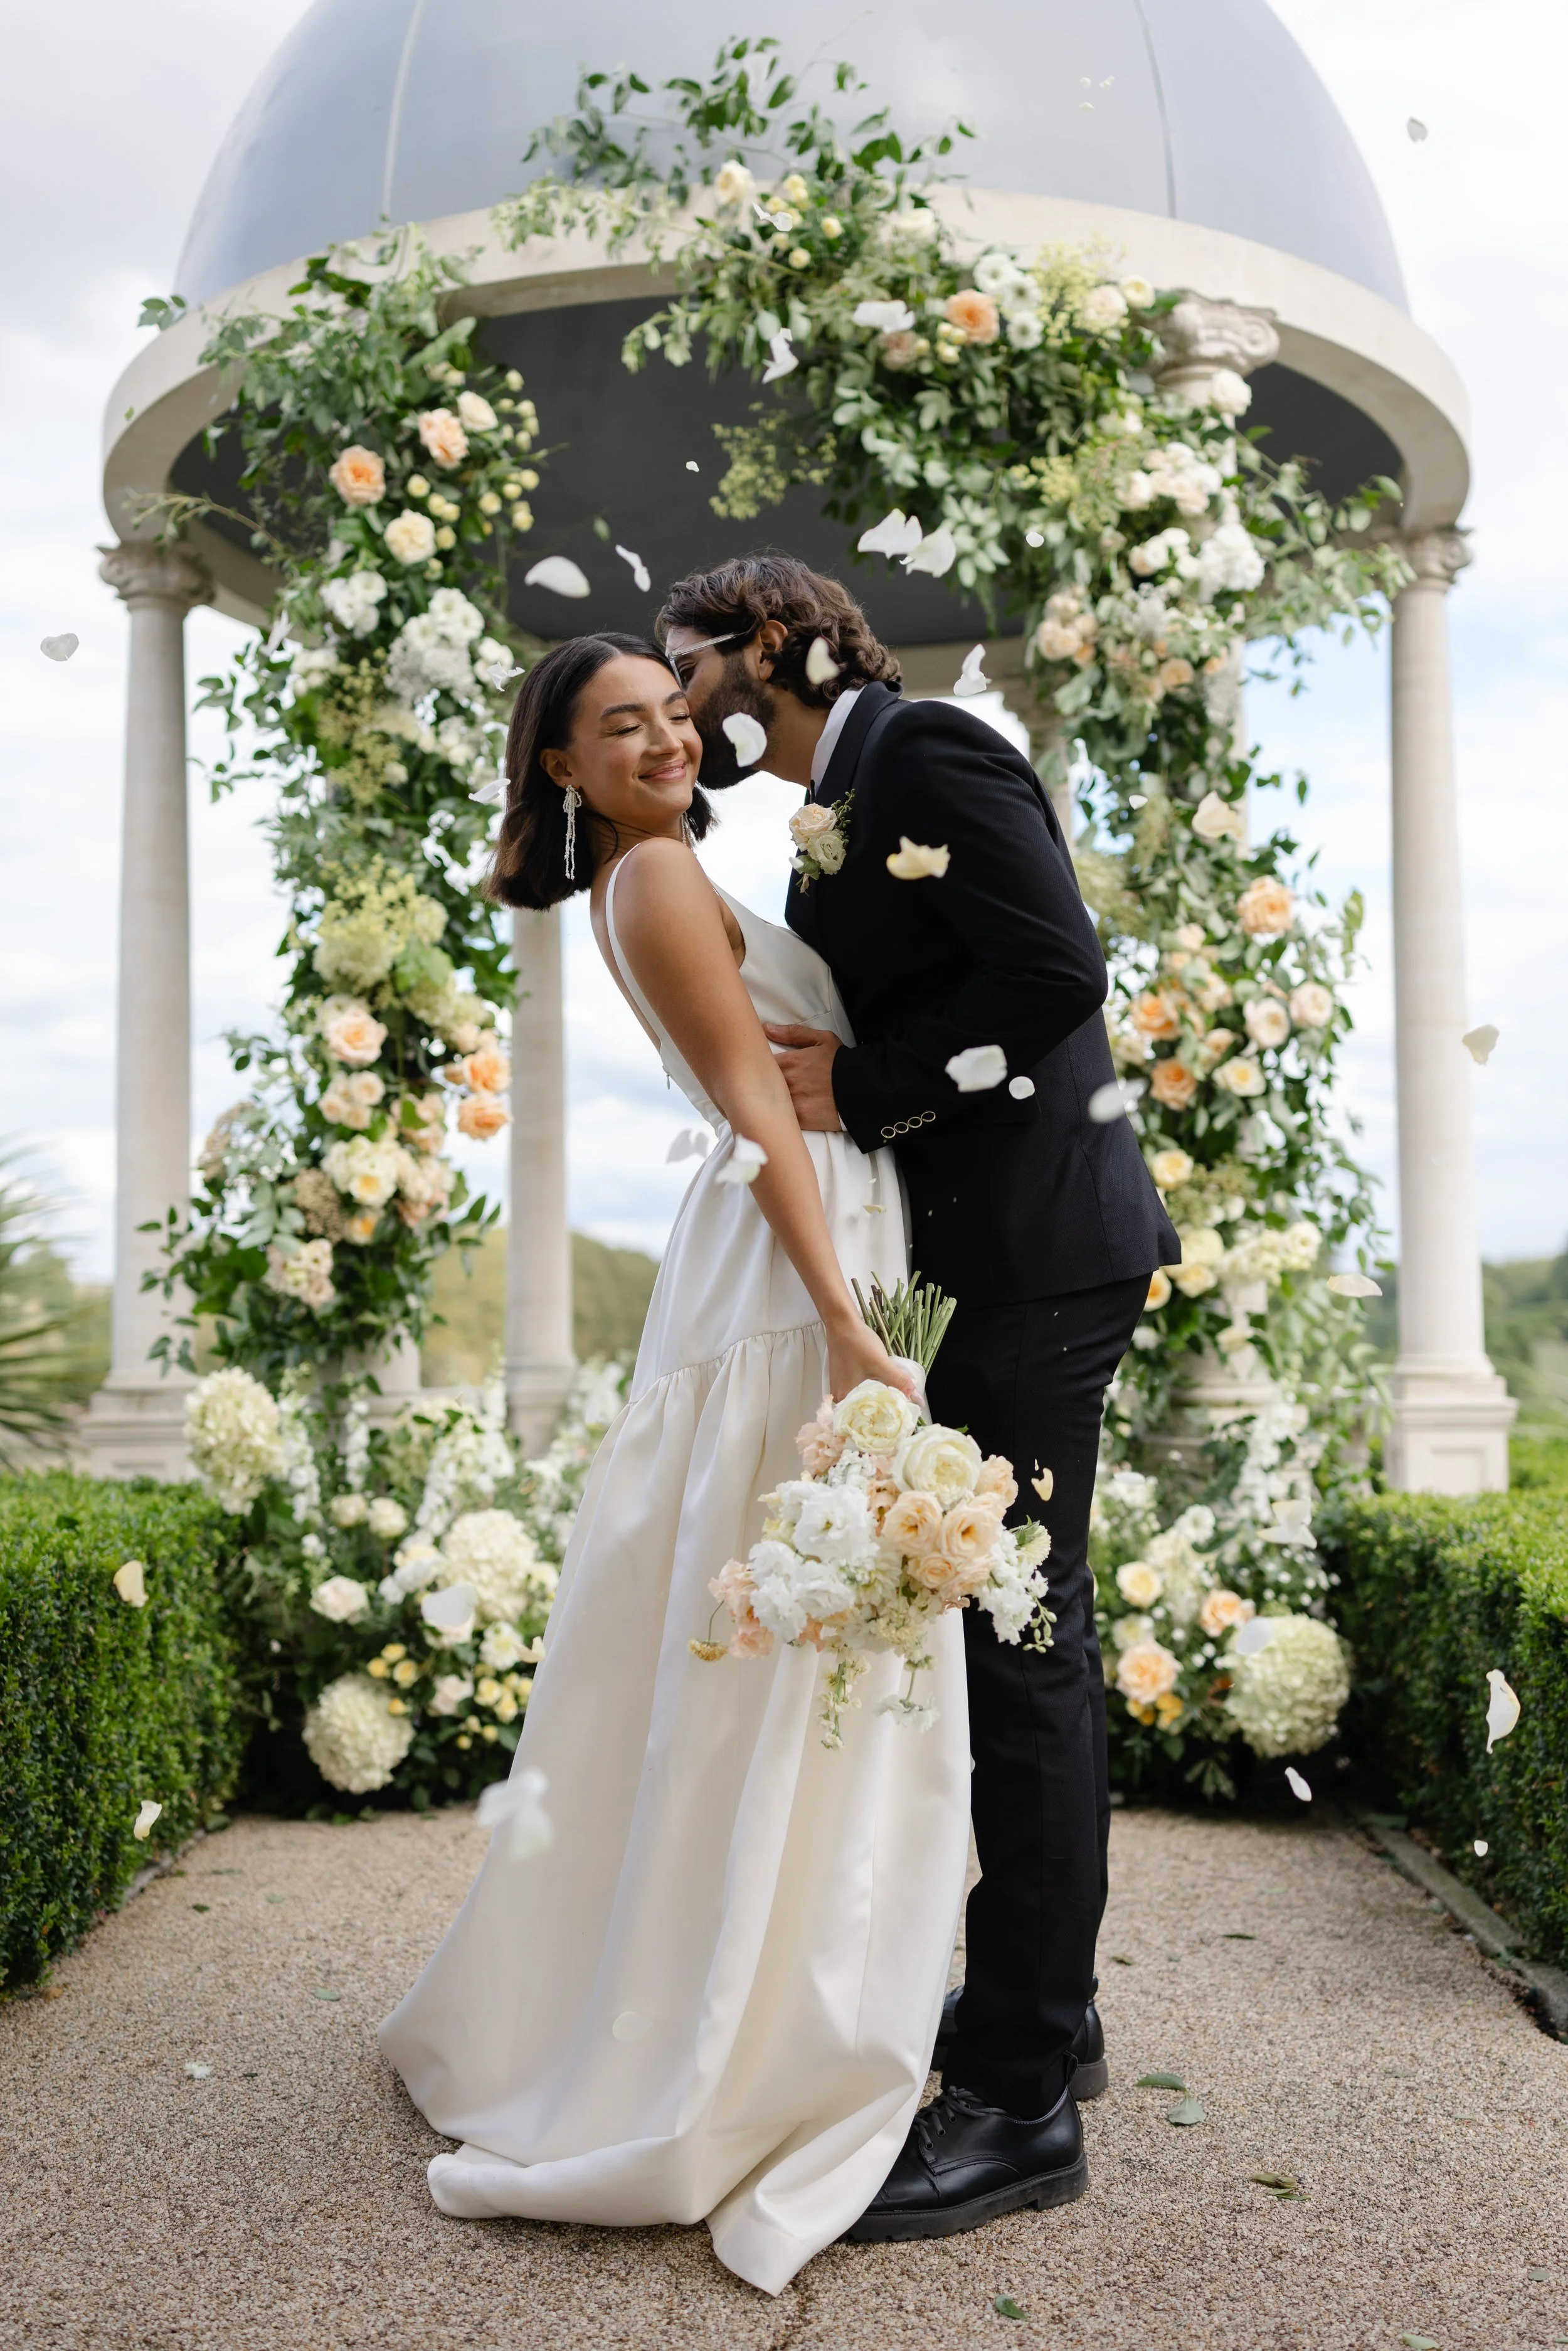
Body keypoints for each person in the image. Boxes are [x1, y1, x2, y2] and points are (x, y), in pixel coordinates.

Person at [379, 633, 974, 2295]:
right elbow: (756, 1107)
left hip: (798, 1242)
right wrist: (847, 1330)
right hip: (795, 1269)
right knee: (787, 1636)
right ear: (560, 766)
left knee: (787, 1642)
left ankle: (767, 1983)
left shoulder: (675, 863)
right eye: (617, 725)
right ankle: (736, 2033)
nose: (665, 740)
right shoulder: (647, 881)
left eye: (673, 715)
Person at [660, 555, 1179, 2241]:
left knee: (1022, 1643)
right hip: (973, 1258)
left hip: (1038, 1250)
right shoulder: (838, 794)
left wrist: (865, 1081)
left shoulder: (932, 749)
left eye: (693, 678)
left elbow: (1054, 973)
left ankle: (1021, 2095)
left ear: (769, 651)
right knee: (999, 1632)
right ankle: (1048, 2017)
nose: (683, 714)